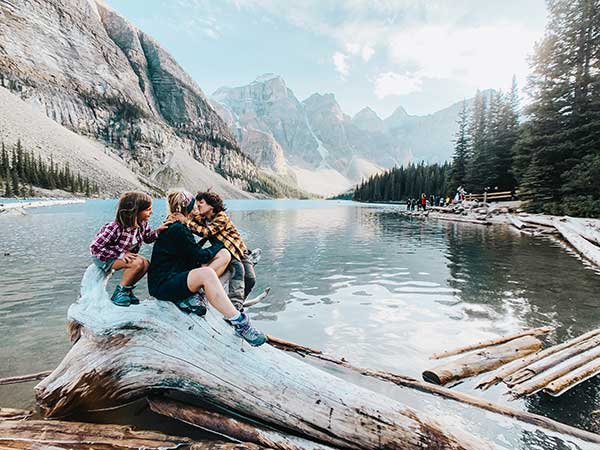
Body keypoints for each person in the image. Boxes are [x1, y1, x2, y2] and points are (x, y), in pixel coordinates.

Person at [147, 190, 266, 347]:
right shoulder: (178, 229)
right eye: (194, 205)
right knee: (208, 273)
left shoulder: (180, 226)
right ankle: (240, 322)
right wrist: (219, 246)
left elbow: (191, 254)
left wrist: (220, 249)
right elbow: (199, 256)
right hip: (163, 285)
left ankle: (198, 296)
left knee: (225, 257)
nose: (197, 208)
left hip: (173, 277)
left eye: (199, 204)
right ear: (188, 208)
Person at [90, 191, 167, 307]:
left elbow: (147, 238)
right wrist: (120, 254)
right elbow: (95, 247)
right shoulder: (115, 227)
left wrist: (158, 232)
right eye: (147, 209)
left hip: (122, 255)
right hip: (104, 257)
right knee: (137, 263)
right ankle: (119, 292)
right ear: (135, 211)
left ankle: (127, 290)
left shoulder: (142, 224)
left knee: (145, 264)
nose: (151, 212)